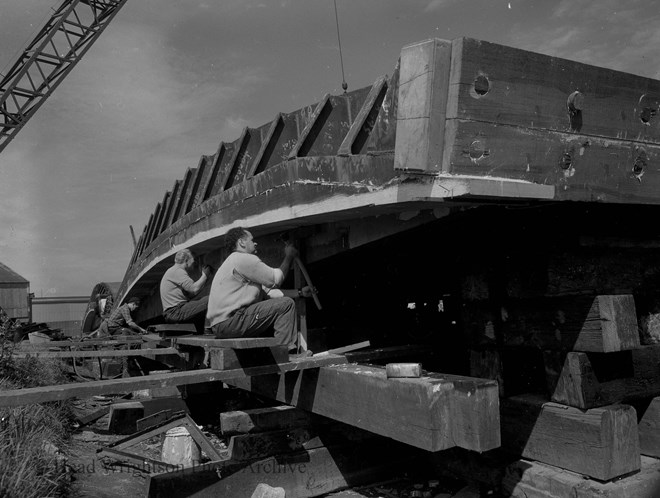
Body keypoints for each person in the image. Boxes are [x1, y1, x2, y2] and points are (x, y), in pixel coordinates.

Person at [206, 227, 314, 352]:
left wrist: (299, 292)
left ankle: (275, 352)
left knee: (283, 304)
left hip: (222, 325)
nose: (255, 243)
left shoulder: (234, 262)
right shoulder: (243, 259)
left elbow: (270, 293)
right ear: (241, 242)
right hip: (231, 322)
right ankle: (285, 353)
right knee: (287, 305)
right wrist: (289, 256)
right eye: (252, 240)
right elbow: (276, 280)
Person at [160, 248, 213, 333]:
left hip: (173, 312)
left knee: (201, 302)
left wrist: (205, 279)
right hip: (176, 312)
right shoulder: (178, 271)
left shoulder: (172, 271)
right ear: (186, 260)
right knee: (212, 299)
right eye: (193, 260)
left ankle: (201, 331)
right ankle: (208, 329)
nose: (194, 263)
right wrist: (205, 275)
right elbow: (194, 289)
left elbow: (191, 294)